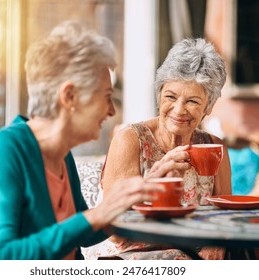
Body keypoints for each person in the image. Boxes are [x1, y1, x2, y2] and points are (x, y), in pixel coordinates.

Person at [0, 21, 161, 260]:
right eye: (107, 97)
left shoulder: (62, 154)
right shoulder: (3, 152)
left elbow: (80, 233)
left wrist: (130, 203)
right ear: (69, 96)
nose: (112, 111)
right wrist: (95, 216)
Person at [97, 38, 232, 260]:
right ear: (159, 94)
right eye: (170, 96)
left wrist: (216, 245)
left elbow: (226, 217)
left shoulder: (214, 148)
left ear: (208, 107)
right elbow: (114, 233)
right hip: (134, 255)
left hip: (195, 254)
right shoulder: (130, 140)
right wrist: (153, 182)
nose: (179, 110)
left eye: (193, 101)